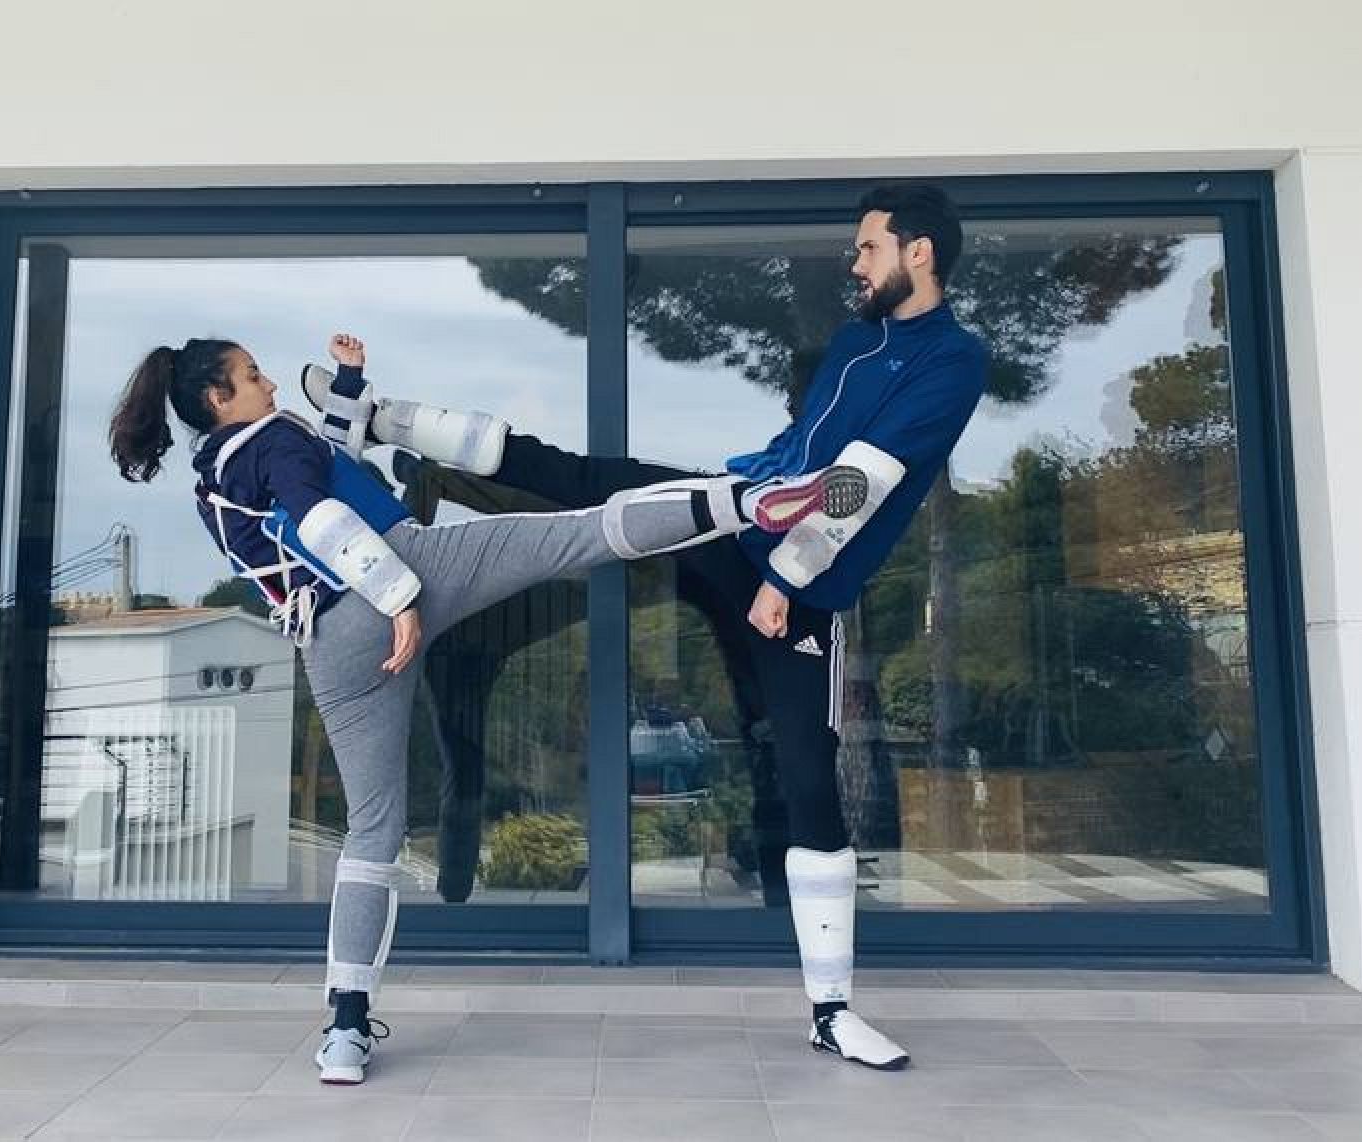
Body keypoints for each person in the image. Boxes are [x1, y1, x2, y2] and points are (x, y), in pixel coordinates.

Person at [303, 183, 989, 1071]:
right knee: (586, 478)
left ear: (918, 252)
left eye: (868, 248)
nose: (855, 263)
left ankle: (832, 1012)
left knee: (806, 775)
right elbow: (805, 451)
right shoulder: (860, 340)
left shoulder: (954, 362)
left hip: (803, 585)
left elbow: (864, 480)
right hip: (740, 510)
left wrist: (785, 580)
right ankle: (381, 418)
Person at [108, 331, 872, 1085]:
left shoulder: (215, 478)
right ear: (218, 397)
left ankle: (345, 1027)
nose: (270, 383)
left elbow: (327, 466)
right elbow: (322, 520)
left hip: (330, 644)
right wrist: (399, 597)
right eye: (252, 375)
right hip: (407, 569)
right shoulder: (272, 438)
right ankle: (751, 501)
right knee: (580, 535)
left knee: (371, 831)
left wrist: (347, 385)